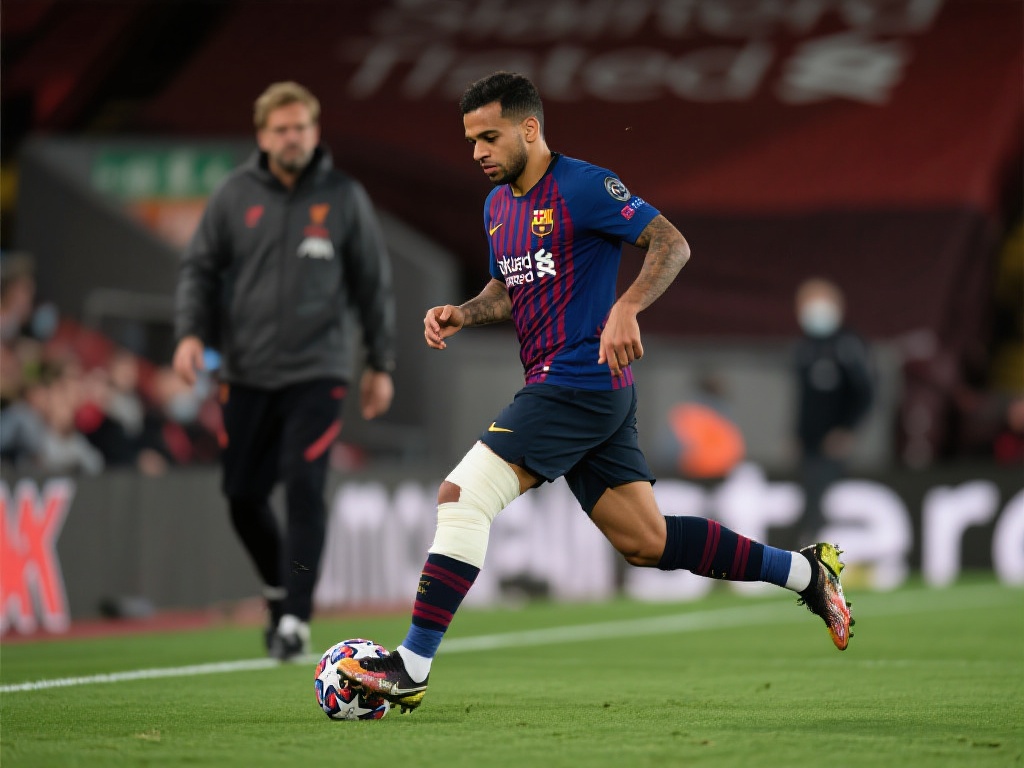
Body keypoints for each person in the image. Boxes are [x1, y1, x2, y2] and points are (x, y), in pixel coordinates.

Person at [336, 72, 852, 712]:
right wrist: (463, 313)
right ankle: (806, 573)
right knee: (647, 542)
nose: (477, 152)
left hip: (577, 381)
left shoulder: (583, 186)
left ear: (530, 128)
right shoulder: (497, 206)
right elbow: (508, 288)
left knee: (461, 496)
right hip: (582, 390)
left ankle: (411, 666)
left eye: (489, 137)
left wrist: (627, 306)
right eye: (470, 140)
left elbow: (671, 243)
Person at [172, 81, 396, 661]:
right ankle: (280, 589)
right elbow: (199, 269)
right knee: (241, 495)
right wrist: (191, 334)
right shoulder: (234, 195)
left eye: (301, 127)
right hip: (245, 373)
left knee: (303, 483)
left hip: (319, 371)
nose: (292, 137)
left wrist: (380, 363)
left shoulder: (344, 197)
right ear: (262, 136)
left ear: (315, 132)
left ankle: (295, 617)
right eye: (281, 129)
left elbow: (373, 285)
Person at [793, 278, 874, 543]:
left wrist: (847, 430)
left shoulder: (847, 344)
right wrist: (798, 434)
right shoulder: (805, 347)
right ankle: (811, 548)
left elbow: (865, 392)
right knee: (809, 498)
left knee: (832, 499)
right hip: (810, 444)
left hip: (835, 444)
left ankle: (837, 549)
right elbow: (804, 400)